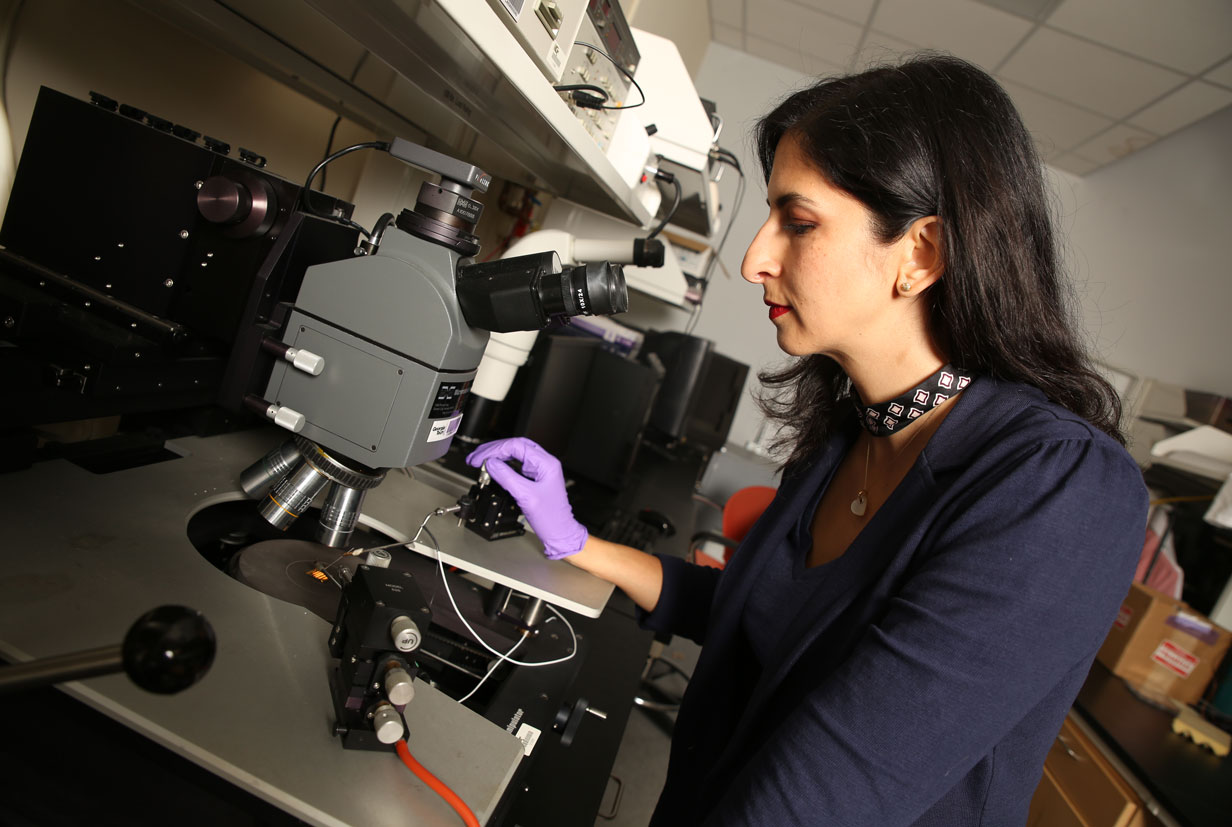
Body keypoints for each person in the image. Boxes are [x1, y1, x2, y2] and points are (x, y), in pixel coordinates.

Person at [466, 55, 1148, 826]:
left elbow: (826, 797)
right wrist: (576, 541)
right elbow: (766, 616)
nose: (756, 258)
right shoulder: (849, 433)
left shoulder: (1060, 488)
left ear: (921, 252)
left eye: (799, 222)